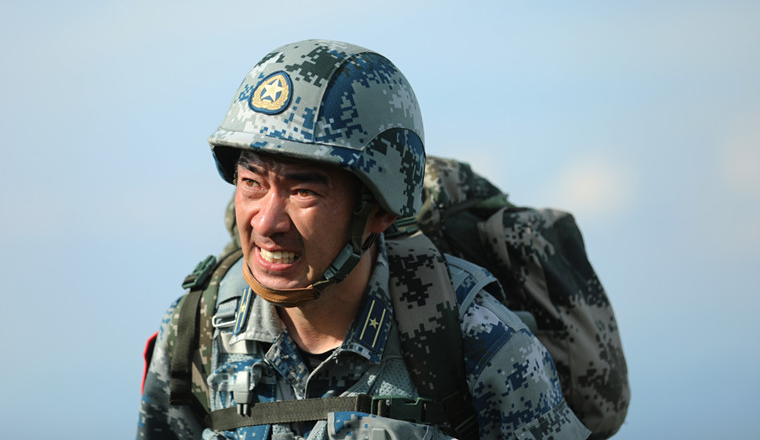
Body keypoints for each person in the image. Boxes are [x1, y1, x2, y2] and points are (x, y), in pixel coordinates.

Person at [137, 39, 591, 439]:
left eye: (304, 191)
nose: (266, 221)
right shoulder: (198, 329)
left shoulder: (477, 340)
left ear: (379, 210)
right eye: (252, 183)